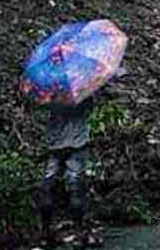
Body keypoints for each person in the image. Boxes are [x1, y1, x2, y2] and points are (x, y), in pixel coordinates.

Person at [35, 98, 102, 248]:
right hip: (77, 144)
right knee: (76, 187)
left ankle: (46, 234)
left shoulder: (51, 93)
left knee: (48, 185)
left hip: (55, 144)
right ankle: (79, 234)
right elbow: (89, 110)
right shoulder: (82, 93)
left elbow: (44, 110)